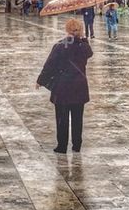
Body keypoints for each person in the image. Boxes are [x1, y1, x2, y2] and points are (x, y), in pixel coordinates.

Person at [36, 17, 93, 154]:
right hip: (79, 86)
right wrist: (83, 39)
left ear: (67, 30)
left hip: (62, 87)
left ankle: (62, 146)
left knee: (62, 118)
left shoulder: (60, 46)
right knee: (77, 117)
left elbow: (49, 65)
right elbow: (89, 53)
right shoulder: (84, 46)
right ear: (81, 30)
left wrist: (40, 80)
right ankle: (76, 145)